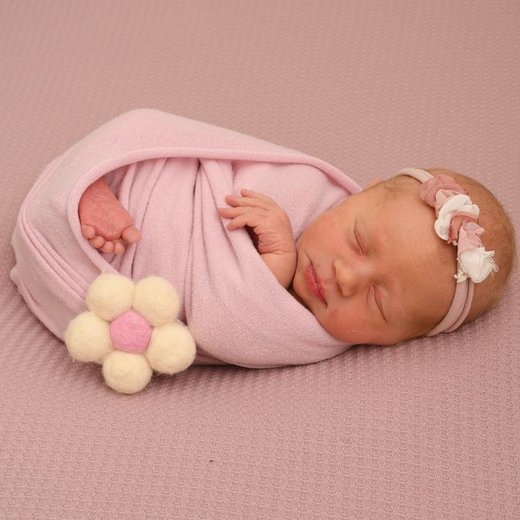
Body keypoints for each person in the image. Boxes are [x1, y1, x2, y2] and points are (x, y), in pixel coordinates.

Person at [78, 166, 516, 347]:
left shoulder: (305, 338)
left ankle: (86, 214)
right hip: (170, 188)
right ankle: (106, 179)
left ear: (396, 340)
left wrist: (276, 265)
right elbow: (225, 173)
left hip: (143, 269)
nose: (347, 277)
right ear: (358, 195)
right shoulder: (307, 185)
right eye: (359, 241)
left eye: (378, 301)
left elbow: (220, 329)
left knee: (113, 287)